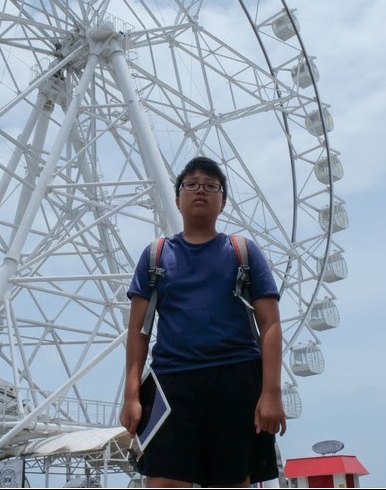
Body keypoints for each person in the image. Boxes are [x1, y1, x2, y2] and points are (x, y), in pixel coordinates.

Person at [120, 156, 286, 488]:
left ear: (223, 202)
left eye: (212, 186)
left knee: (232, 483)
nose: (201, 190)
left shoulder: (243, 252)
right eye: (192, 184)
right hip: (172, 384)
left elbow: (270, 323)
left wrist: (272, 392)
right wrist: (131, 395)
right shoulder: (155, 256)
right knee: (163, 483)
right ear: (177, 198)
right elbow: (138, 331)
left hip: (236, 380)